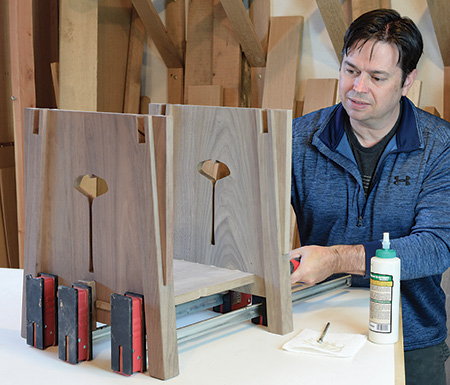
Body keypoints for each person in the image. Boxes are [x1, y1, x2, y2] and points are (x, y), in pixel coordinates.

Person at [290, 8, 450, 385]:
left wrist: (336, 258)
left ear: (407, 80)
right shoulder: (298, 138)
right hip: (318, 330)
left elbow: (436, 245)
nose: (358, 87)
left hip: (412, 338)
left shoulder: (439, 146)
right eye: (350, 70)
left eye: (377, 77)